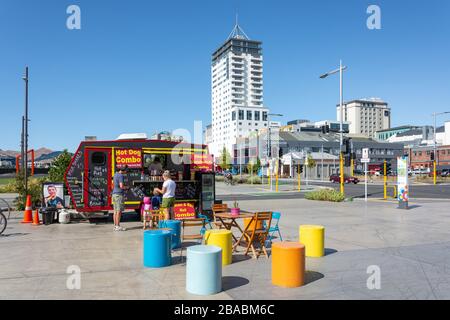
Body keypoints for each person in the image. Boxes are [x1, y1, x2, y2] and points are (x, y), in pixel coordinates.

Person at [112, 166, 128, 231]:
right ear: (123, 170)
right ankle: (118, 226)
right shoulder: (121, 175)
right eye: (126, 170)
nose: (126, 172)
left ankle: (115, 226)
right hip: (119, 194)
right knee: (119, 211)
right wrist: (126, 187)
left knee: (115, 211)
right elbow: (121, 186)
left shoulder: (115, 174)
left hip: (114, 194)